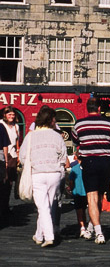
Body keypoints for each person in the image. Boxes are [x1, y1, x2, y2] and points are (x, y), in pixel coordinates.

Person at [71, 98, 110, 244]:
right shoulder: (109, 124)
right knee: (100, 196)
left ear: (88, 109)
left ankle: (98, 232)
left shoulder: (79, 124)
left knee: (91, 197)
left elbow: (76, 143)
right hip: (105, 161)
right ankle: (92, 227)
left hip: (90, 162)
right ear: (99, 108)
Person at [20, 106, 68, 247]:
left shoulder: (30, 136)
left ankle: (49, 236)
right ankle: (38, 235)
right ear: (51, 120)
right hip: (54, 173)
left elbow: (23, 157)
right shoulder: (56, 136)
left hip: (37, 173)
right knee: (48, 205)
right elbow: (63, 156)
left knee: (42, 206)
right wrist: (58, 167)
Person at [0, 106, 19, 223]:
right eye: (9, 115)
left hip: (12, 155)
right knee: (3, 181)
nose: (11, 117)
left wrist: (18, 152)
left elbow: (17, 141)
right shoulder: (1, 124)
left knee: (9, 182)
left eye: (13, 115)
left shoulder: (16, 126)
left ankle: (5, 205)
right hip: (4, 155)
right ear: (4, 115)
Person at [67, 153, 89, 236]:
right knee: (86, 210)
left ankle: (82, 227)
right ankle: (88, 226)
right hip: (87, 192)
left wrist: (70, 188)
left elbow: (71, 182)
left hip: (77, 192)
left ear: (76, 158)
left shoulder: (74, 169)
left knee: (79, 210)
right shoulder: (88, 168)